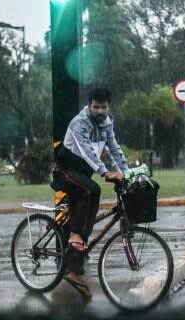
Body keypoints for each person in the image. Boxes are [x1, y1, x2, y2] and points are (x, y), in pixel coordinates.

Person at [54, 88, 128, 297]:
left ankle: (73, 265)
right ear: (89, 105)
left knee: (86, 205)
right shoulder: (80, 122)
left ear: (109, 106)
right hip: (65, 172)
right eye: (96, 106)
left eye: (104, 107)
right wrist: (105, 172)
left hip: (83, 175)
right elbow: (86, 151)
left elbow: (114, 148)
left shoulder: (107, 122)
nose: (100, 111)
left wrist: (127, 173)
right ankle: (76, 239)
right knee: (92, 190)